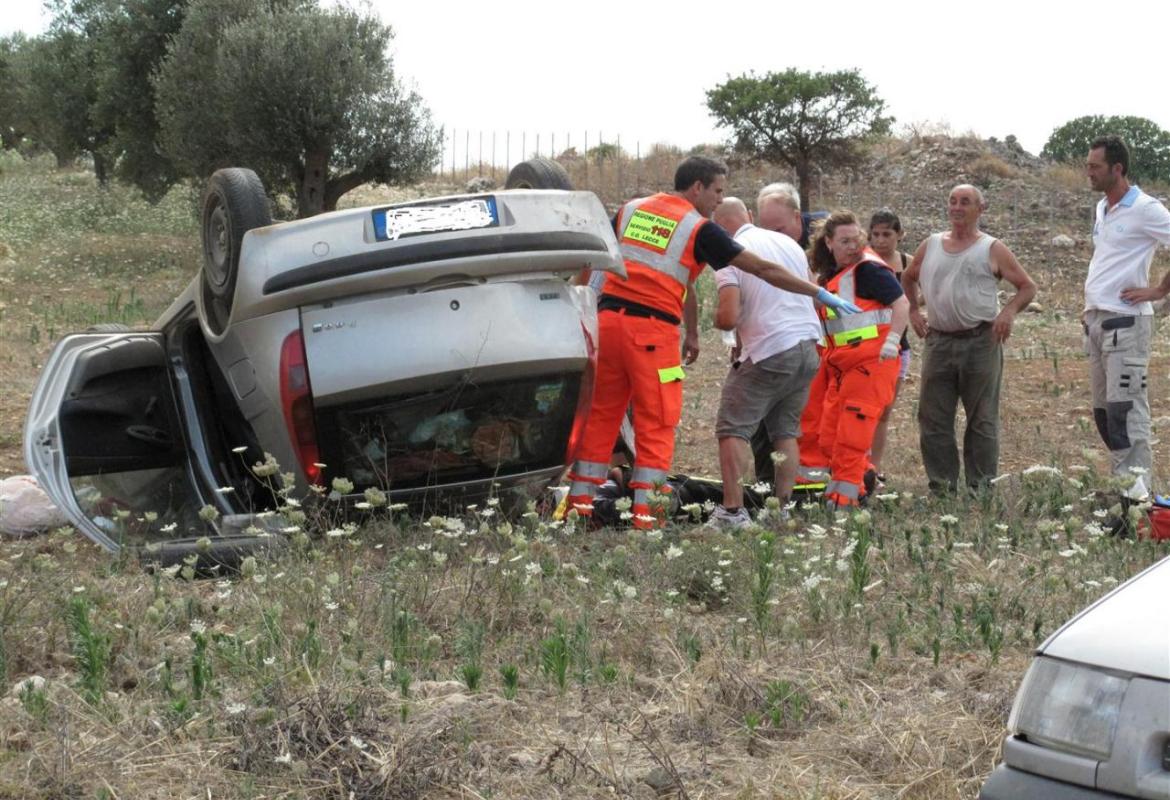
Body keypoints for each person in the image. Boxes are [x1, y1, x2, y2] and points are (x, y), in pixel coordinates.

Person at [565, 157, 860, 529]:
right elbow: (762, 269)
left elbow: (596, 258)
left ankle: (577, 509)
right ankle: (647, 518)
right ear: (697, 187)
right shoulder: (698, 228)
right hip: (651, 335)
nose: (719, 200)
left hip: (608, 326)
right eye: (718, 191)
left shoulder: (632, 209)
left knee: (601, 417)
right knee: (657, 421)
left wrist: (577, 305)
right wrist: (818, 292)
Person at [901, 185, 1036, 494]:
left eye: (965, 202)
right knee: (933, 418)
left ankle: (981, 488)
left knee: (982, 418)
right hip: (938, 341)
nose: (957, 207)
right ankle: (942, 487)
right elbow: (908, 277)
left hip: (980, 341)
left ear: (981, 209)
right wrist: (913, 309)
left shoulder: (992, 248)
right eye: (952, 201)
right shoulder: (931, 245)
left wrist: (1008, 312)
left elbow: (1027, 287)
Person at [706, 197, 822, 528]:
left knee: (732, 428)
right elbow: (804, 294)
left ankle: (732, 512)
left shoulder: (729, 254)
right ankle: (779, 510)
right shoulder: (788, 244)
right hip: (807, 347)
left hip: (771, 350)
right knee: (785, 431)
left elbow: (728, 316)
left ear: (717, 227)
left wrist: (716, 317)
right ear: (749, 215)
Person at [1083, 134, 1170, 496]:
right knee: (1105, 414)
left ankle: (1135, 504)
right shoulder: (1103, 208)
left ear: (1117, 168)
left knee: (1127, 412)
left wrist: (1159, 290)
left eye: (1095, 166)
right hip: (1097, 321)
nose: (1088, 173)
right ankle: (1126, 490)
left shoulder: (1146, 208)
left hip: (1127, 324)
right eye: (1087, 166)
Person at [809, 211, 910, 509]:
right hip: (842, 368)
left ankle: (845, 501)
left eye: (857, 239)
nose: (853, 246)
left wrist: (893, 340)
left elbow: (901, 303)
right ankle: (863, 478)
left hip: (871, 365)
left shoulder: (869, 270)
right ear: (829, 243)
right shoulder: (833, 275)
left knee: (851, 439)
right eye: (845, 241)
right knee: (828, 437)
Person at [866, 209, 914, 484]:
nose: (880, 240)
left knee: (884, 411)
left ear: (900, 235)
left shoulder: (908, 263)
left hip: (898, 347)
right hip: (866, 345)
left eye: (887, 234)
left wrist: (913, 310)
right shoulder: (864, 262)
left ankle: (874, 468)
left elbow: (918, 295)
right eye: (875, 234)